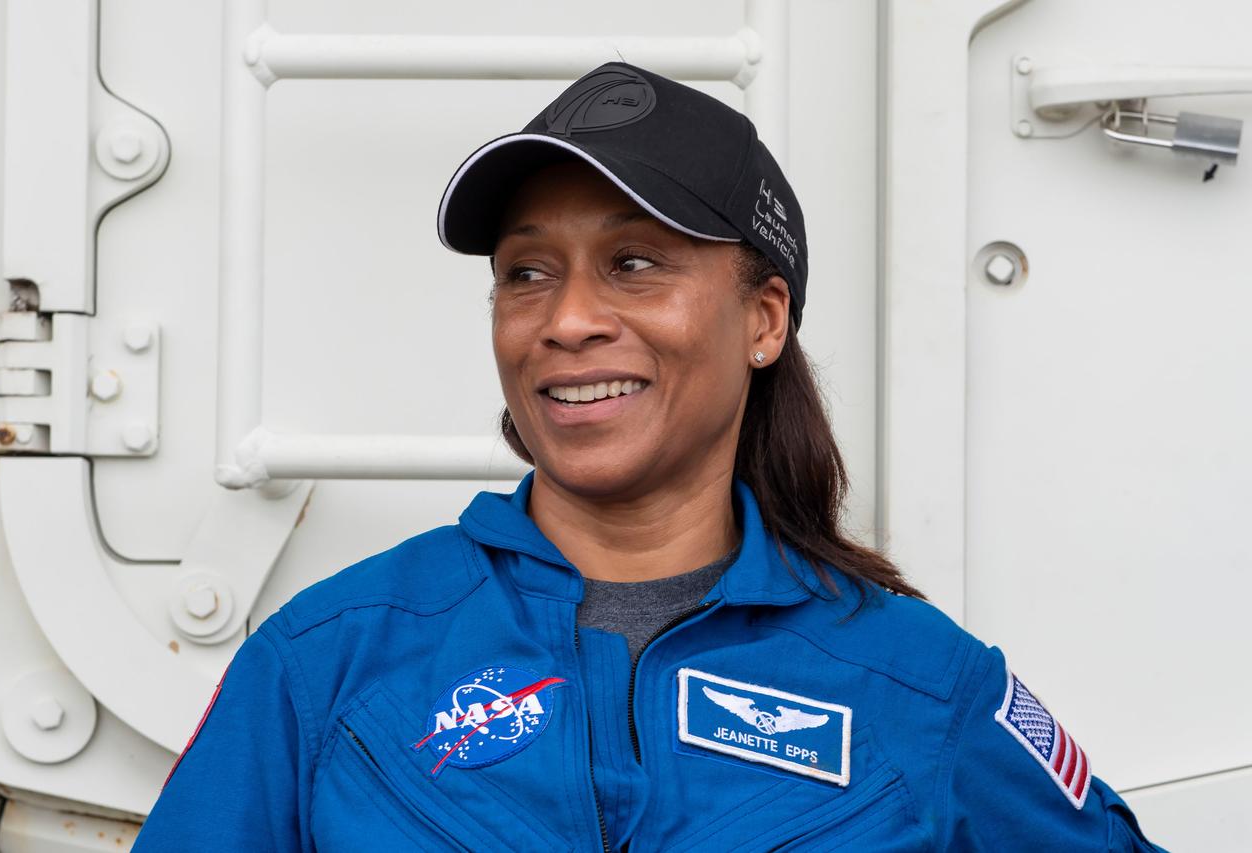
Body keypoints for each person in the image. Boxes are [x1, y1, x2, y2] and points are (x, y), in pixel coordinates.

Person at [134, 62, 1166, 851]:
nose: (568, 318)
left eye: (634, 263)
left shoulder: (919, 683)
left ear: (762, 320)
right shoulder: (329, 658)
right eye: (526, 272)